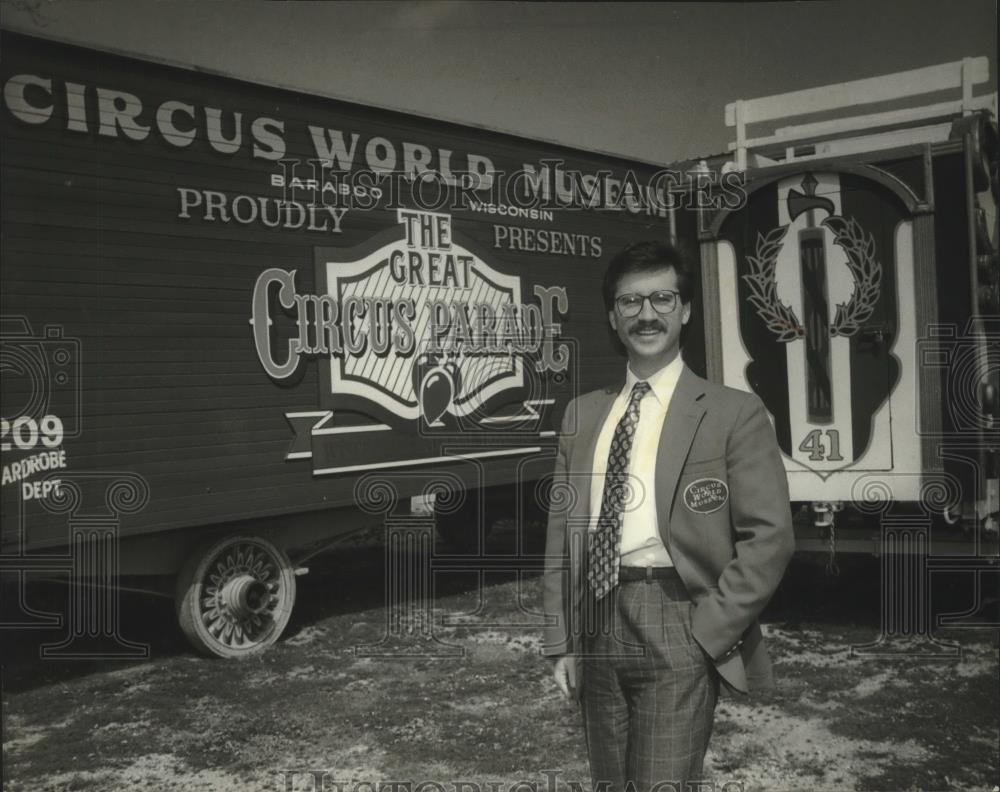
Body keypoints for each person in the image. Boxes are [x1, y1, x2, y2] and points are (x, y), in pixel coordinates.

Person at [542, 240, 794, 792]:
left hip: (679, 617)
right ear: (612, 316)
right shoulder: (583, 414)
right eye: (630, 302)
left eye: (662, 298)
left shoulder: (732, 413)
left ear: (685, 310)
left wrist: (709, 631)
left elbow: (769, 537)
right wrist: (561, 639)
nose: (646, 314)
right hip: (597, 622)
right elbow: (563, 535)